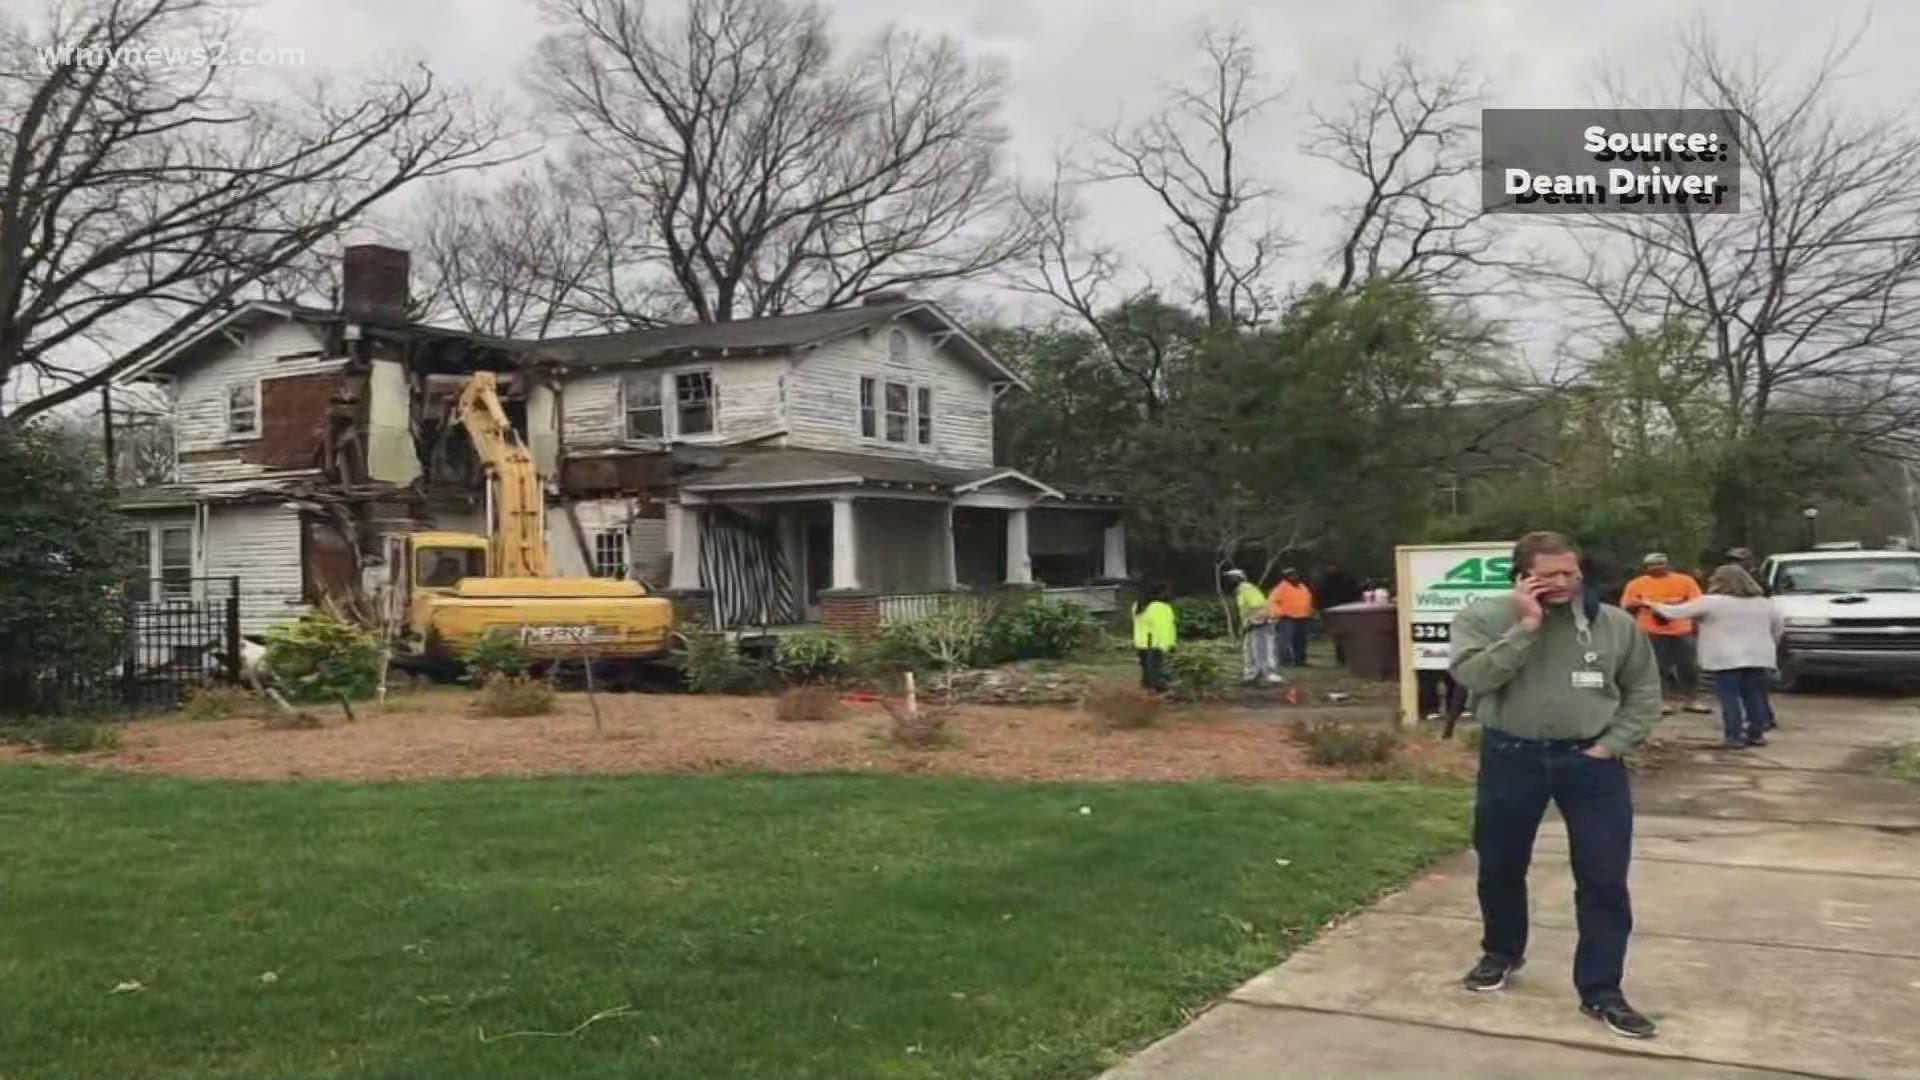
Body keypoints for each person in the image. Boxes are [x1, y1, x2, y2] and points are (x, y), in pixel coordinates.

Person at [1449, 530, 1662, 1040]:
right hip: (1511, 757)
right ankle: (1501, 952)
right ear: (1522, 576)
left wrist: (1611, 745)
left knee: (1603, 876)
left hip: (1590, 765)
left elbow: (1644, 692)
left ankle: (1602, 990)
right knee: (1500, 863)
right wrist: (1526, 626)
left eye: (1571, 573)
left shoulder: (1612, 625)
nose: (1564, 583)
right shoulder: (1482, 617)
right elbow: (1475, 678)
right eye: (1550, 575)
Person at [1652, 565, 1784, 749]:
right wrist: (1769, 647)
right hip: (1758, 656)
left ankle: (1734, 737)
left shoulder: (1712, 602)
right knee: (1754, 696)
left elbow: (1675, 613)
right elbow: (1778, 630)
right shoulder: (1765, 604)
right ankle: (1756, 734)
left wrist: (1653, 604)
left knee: (1730, 698)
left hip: (1726, 658)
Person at [1619, 553, 1709, 715]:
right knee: (1656, 668)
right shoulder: (1636, 584)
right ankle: (1661, 701)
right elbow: (1626, 605)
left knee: (1689, 667)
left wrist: (1674, 605)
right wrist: (1643, 604)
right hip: (1651, 631)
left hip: (1681, 630)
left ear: (1668, 565)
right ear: (1645, 567)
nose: (1657, 567)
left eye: (1661, 564)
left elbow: (1698, 602)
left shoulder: (1685, 580)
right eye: (1652, 565)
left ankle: (1692, 700)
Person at [1227, 569, 1281, 685]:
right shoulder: (1240, 591)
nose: (1229, 580)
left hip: (1260, 624)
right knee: (1250, 650)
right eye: (1229, 578)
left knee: (1262, 651)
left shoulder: (1247, 589)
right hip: (1252, 624)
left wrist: (1253, 622)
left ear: (1240, 578)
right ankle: (1252, 675)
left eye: (1232, 578)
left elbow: (1260, 607)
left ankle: (1267, 675)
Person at [1132, 582, 1176, 692]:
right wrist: (1168, 645)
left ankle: (1147, 696)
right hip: (1156, 644)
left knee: (1148, 672)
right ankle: (1162, 694)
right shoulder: (1160, 607)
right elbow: (1163, 628)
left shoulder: (1138, 605)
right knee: (1157, 673)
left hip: (1141, 643)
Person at [1270, 568, 1315, 667]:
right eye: (1290, 575)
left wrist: (1309, 611)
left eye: (1295, 574)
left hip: (1302, 617)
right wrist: (1280, 613)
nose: (1294, 576)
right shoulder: (1280, 588)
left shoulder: (1302, 587)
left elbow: (1308, 599)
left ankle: (1300, 661)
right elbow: (1273, 602)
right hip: (1287, 618)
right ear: (1286, 577)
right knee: (1285, 642)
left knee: (1301, 641)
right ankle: (1285, 661)